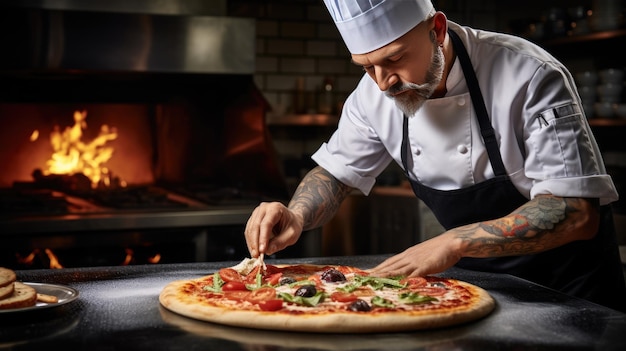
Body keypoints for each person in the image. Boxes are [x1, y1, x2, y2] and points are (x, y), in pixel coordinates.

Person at [244, 0, 626, 312]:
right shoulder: (372, 94)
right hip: (479, 294)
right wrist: (295, 214)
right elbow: (336, 174)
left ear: (437, 29)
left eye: (394, 60)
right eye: (366, 67)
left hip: (572, 295)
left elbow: (575, 211)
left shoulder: (529, 73)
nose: (383, 82)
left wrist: (452, 243)